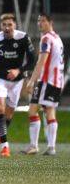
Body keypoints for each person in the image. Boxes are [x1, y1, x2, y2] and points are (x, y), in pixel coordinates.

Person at [0, 13, 35, 157]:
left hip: (17, 81)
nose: (7, 28)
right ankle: (5, 146)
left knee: (8, 115)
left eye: (10, 25)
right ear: (1, 26)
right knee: (0, 108)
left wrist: (18, 70)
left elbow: (32, 60)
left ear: (15, 25)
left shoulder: (23, 37)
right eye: (4, 25)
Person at [21, 13, 64, 156]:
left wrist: (31, 81)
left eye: (43, 21)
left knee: (37, 111)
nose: (39, 23)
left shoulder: (46, 39)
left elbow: (42, 62)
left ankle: (39, 146)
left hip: (47, 81)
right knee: (44, 111)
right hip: (55, 81)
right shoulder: (57, 38)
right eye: (38, 21)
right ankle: (45, 147)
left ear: (50, 22)